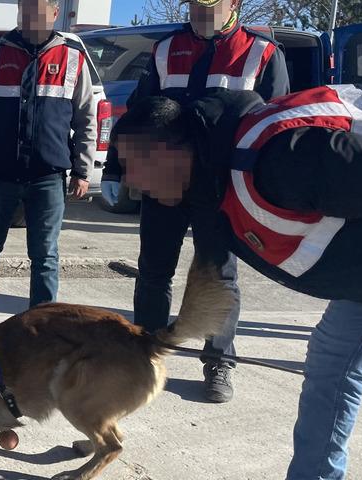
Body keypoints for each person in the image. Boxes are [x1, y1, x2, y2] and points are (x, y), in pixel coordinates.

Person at [112, 83, 362, 480]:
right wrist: (152, 342)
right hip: (359, 283)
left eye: (132, 164)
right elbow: (210, 283)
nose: (130, 183)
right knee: (331, 367)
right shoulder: (211, 185)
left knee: (334, 367)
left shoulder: (278, 158)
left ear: (167, 151)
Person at [101, 0, 290, 403]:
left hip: (220, 189)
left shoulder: (263, 53)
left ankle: (218, 360)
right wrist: (115, 167)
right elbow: (139, 112)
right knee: (153, 271)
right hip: (163, 182)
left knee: (218, 276)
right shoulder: (166, 49)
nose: (199, 10)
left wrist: (269, 191)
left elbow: (277, 127)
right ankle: (143, 354)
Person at [0, 0, 98, 329]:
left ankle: (42, 324)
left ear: (55, 13)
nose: (32, 15)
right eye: (26, 8)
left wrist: (82, 169)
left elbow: (88, 119)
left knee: (45, 256)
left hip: (47, 177)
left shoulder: (72, 59)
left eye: (40, 8)